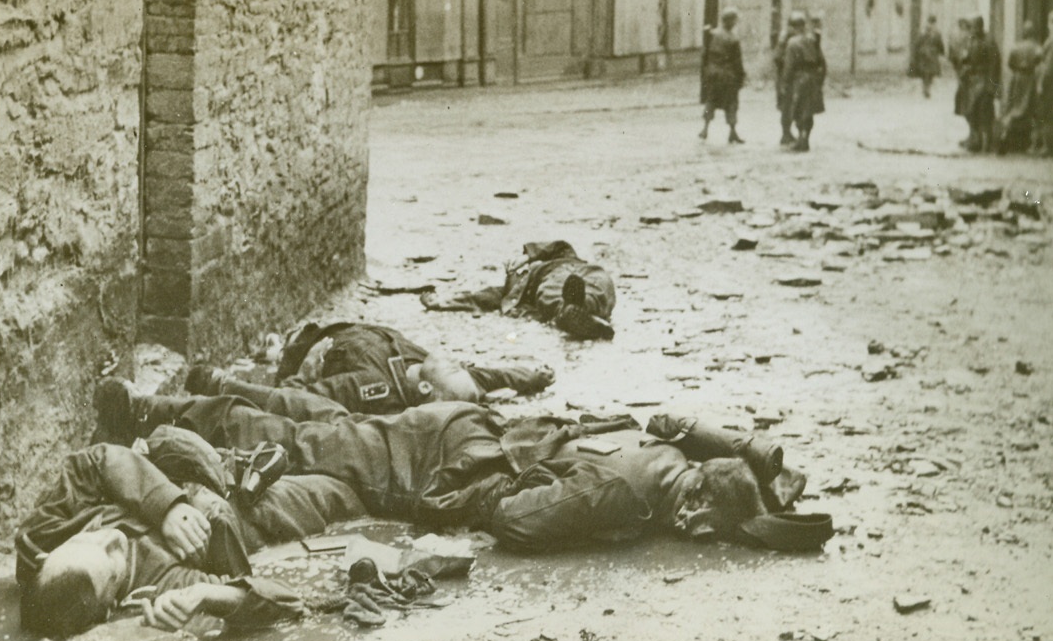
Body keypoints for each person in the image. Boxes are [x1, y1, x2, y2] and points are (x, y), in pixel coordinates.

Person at [90, 378, 829, 557]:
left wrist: (758, 469)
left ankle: (171, 403)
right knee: (314, 442)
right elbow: (513, 520)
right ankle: (154, 415)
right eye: (706, 525)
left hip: (472, 428)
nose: (698, 534)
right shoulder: (623, 498)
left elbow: (688, 427)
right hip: (440, 461)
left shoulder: (673, 455)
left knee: (327, 423)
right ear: (697, 508)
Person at [15, 434, 311, 640]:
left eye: (87, 539)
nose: (112, 538)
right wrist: (205, 596)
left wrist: (166, 506)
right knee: (340, 489)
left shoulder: (41, 538)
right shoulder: (160, 587)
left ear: (45, 558)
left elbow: (94, 460)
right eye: (111, 561)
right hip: (248, 507)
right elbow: (289, 601)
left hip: (183, 456)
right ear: (109, 609)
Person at [186, 320, 555, 415]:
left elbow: (298, 400)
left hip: (307, 347)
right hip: (346, 331)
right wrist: (530, 375)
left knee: (283, 359)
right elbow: (486, 376)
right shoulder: (426, 369)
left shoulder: (374, 387)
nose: (460, 365)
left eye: (456, 371)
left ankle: (223, 383)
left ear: (427, 391)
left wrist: (306, 371)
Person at [421, 240, 616, 341]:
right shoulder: (511, 290)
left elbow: (559, 245)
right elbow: (478, 298)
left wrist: (528, 256)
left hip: (565, 271)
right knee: (599, 290)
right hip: (587, 276)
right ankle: (588, 315)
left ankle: (574, 312)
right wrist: (441, 303)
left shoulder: (551, 261)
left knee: (553, 294)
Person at [780, 13, 827, 152]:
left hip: (799, 80)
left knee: (798, 110)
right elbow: (821, 62)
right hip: (812, 78)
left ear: (793, 27)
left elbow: (788, 66)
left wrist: (785, 83)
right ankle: (805, 139)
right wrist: (820, 80)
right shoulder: (812, 40)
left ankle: (801, 139)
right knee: (809, 110)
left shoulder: (792, 43)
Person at [699, 6, 746, 144]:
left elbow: (705, 55)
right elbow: (737, 62)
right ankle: (732, 132)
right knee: (731, 103)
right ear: (730, 21)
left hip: (713, 74)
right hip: (728, 76)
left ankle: (705, 129)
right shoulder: (733, 39)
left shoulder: (712, 34)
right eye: (734, 20)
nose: (735, 23)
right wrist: (741, 77)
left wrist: (706, 72)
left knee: (711, 101)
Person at [955, 15, 1001, 153]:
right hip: (971, 81)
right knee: (969, 111)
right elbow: (965, 58)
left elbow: (995, 65)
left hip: (984, 80)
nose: (973, 30)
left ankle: (985, 144)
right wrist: (964, 67)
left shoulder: (989, 41)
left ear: (981, 26)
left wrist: (992, 86)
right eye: (972, 27)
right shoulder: (971, 39)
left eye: (975, 27)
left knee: (984, 114)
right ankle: (974, 139)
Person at [996, 21, 1043, 154]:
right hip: (1030, 79)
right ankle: (1033, 144)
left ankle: (1004, 135)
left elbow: (1010, 63)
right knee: (1033, 111)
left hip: (1017, 79)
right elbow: (1040, 62)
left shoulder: (1016, 47)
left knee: (1014, 109)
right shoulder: (1037, 47)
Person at [1033, 12, 1053, 156]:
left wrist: (1041, 84)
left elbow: (1048, 68)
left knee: (1047, 115)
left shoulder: (1051, 41)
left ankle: (1048, 146)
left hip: (1049, 85)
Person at [912, 15, 945, 98]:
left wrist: (941, 52)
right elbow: (918, 42)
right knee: (927, 73)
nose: (931, 24)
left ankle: (926, 88)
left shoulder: (933, 32)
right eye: (931, 22)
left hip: (928, 55)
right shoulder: (929, 32)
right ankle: (926, 88)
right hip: (927, 55)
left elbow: (939, 44)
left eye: (932, 22)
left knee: (929, 73)